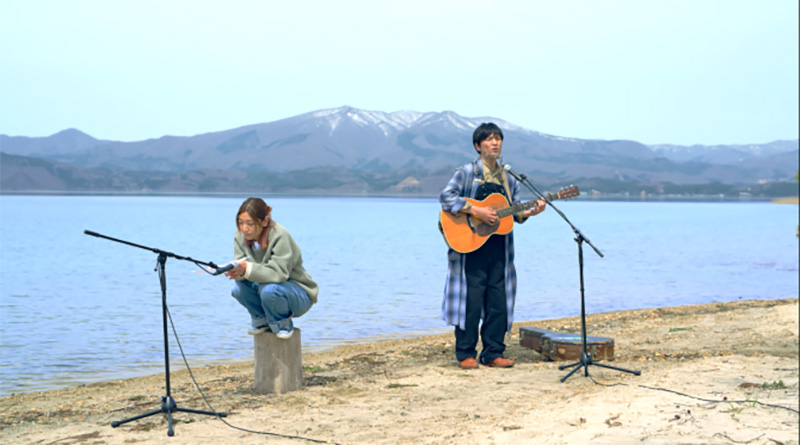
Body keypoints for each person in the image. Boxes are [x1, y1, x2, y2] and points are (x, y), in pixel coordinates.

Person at [439, 122, 546, 369]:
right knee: (471, 299)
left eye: (498, 138)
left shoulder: (509, 178)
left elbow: (515, 213)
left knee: (498, 299)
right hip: (472, 245)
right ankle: (465, 353)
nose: (494, 143)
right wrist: (476, 209)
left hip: (499, 245)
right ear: (478, 146)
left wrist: (532, 212)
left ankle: (492, 352)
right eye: (488, 139)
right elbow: (446, 197)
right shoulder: (466, 172)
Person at [225, 197, 318, 339]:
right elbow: (243, 270)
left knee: (269, 289)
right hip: (265, 291)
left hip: (298, 293)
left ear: (265, 221)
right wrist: (236, 271)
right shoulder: (239, 237)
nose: (244, 228)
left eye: (250, 223)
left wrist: (247, 269)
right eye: (240, 223)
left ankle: (282, 323)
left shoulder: (280, 235)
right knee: (237, 288)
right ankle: (260, 319)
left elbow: (278, 274)